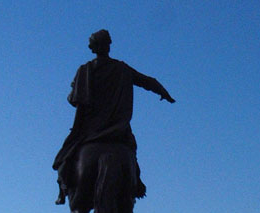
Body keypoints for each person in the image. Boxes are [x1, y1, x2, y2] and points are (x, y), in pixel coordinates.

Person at [53, 30, 175, 204]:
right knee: (131, 151)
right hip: (117, 129)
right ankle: (137, 182)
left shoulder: (84, 70)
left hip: (90, 131)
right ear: (108, 46)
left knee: (65, 157)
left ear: (93, 48)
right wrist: (163, 92)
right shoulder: (122, 68)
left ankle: (63, 189)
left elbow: (73, 99)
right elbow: (148, 81)